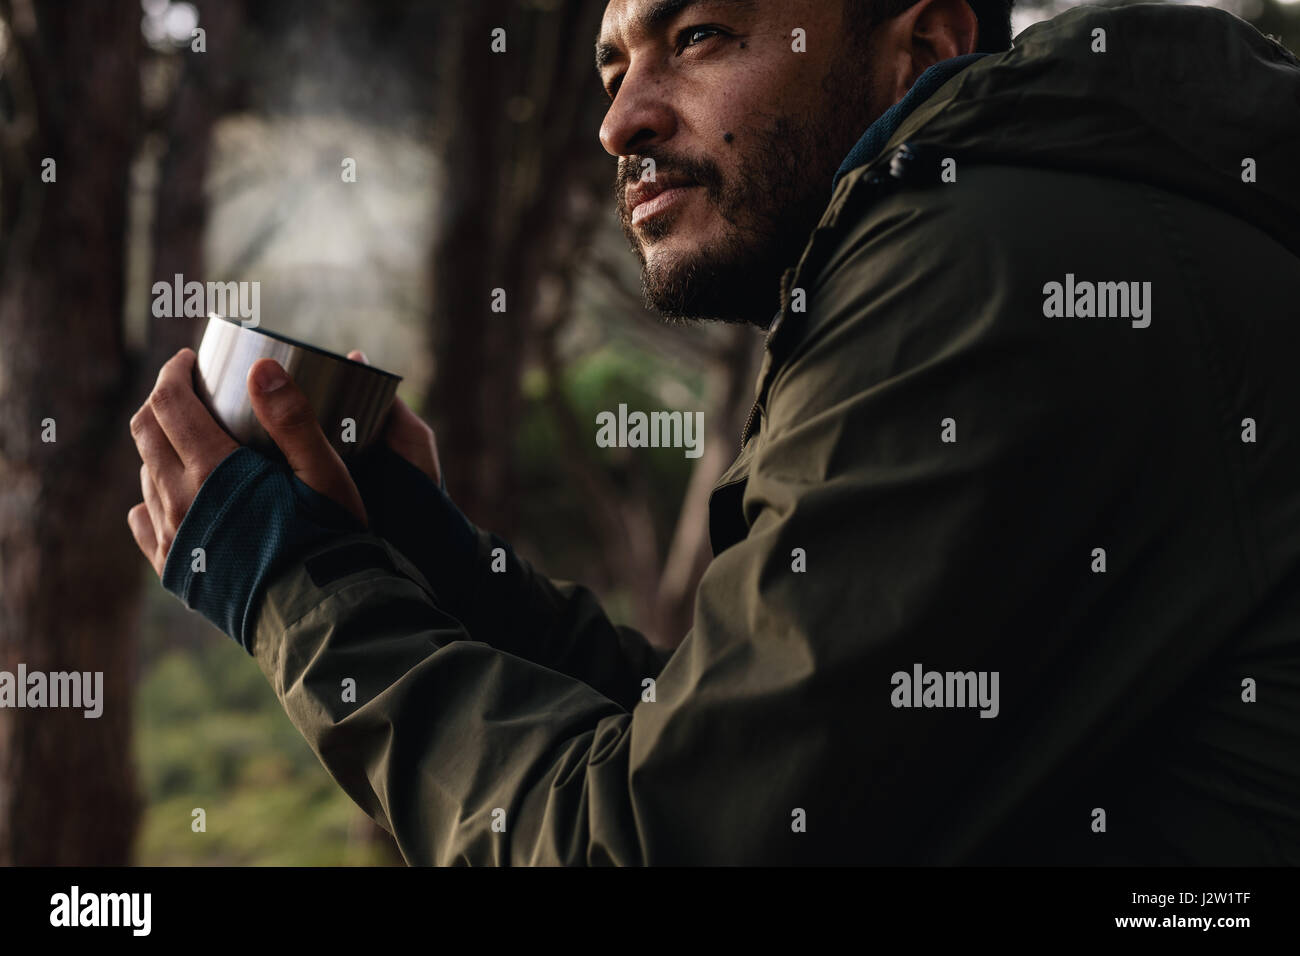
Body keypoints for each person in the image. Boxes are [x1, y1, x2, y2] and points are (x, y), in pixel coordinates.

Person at [129, 0, 1300, 864]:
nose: (619, 122)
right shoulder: (1042, 223)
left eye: (697, 39)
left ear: (924, 48)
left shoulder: (975, 263)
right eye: (609, 60)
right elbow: (756, 746)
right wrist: (432, 564)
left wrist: (291, 582)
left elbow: (658, 845)